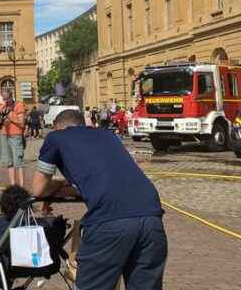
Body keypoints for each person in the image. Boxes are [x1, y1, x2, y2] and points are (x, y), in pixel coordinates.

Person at [33, 109, 167, 290]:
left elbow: (38, 189)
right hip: (151, 216)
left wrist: (57, 184)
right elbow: (106, 178)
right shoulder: (108, 136)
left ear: (58, 127)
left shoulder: (56, 138)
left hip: (110, 221)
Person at [0, 185, 33, 284]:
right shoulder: (31, 224)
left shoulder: (3, 222)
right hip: (31, 265)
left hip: (6, 266)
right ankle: (8, 281)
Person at [0, 90, 26, 187]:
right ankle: (13, 185)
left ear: (11, 97)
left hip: (16, 135)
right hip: (4, 134)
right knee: (8, 162)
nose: (5, 101)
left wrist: (10, 117)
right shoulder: (2, 106)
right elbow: (0, 119)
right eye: (3, 99)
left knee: (18, 162)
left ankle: (21, 186)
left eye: (6, 99)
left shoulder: (18, 105)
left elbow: (22, 123)